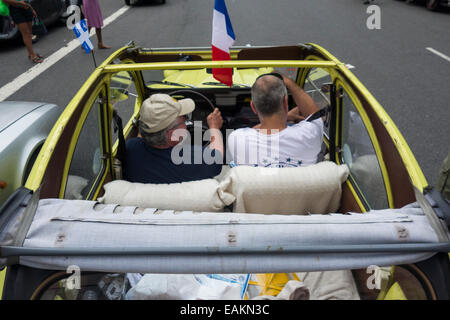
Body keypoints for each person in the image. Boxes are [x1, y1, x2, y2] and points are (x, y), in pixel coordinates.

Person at [227, 72, 323, 168]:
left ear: (253, 107)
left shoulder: (236, 139)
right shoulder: (309, 135)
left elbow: (254, 131)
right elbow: (316, 115)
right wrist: (289, 82)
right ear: (285, 102)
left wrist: (285, 117)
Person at [123, 94, 224, 184]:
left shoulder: (130, 149)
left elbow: (140, 138)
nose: (186, 122)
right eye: (184, 119)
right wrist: (214, 127)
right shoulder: (192, 160)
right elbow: (217, 158)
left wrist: (149, 124)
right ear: (172, 134)